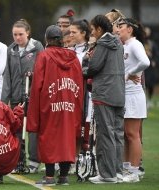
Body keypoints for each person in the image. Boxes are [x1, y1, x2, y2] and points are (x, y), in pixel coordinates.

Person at [27, 25, 83, 186]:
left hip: (49, 104)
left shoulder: (44, 56)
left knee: (48, 138)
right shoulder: (74, 57)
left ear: (47, 39)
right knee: (68, 138)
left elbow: (37, 85)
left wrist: (34, 110)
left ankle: (50, 176)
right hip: (70, 104)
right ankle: (64, 176)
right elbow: (79, 84)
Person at [82, 15, 125, 184]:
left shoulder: (102, 44)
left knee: (105, 134)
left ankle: (107, 175)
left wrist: (86, 60)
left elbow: (93, 67)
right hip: (119, 93)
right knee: (116, 134)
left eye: (93, 29)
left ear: (99, 29)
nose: (92, 33)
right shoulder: (118, 43)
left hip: (105, 94)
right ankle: (117, 172)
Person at [1, 19, 43, 174]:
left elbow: (42, 71)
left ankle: (34, 161)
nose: (17, 38)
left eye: (21, 34)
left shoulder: (37, 47)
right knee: (16, 129)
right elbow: (8, 77)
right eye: (15, 34)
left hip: (33, 97)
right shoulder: (11, 49)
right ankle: (17, 160)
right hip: (16, 97)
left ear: (28, 33)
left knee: (32, 129)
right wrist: (4, 101)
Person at [118, 18, 150, 182]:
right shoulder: (124, 45)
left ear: (129, 29)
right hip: (124, 95)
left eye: (120, 27)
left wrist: (130, 73)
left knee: (132, 134)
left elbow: (145, 62)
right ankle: (126, 168)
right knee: (125, 134)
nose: (117, 29)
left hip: (133, 95)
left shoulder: (134, 44)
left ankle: (135, 172)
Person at [69, 19, 92, 174]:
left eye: (74, 32)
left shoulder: (90, 50)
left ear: (83, 33)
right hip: (70, 93)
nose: (70, 35)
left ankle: (81, 160)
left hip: (86, 94)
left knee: (83, 128)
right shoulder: (69, 50)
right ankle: (70, 160)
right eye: (69, 32)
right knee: (70, 127)